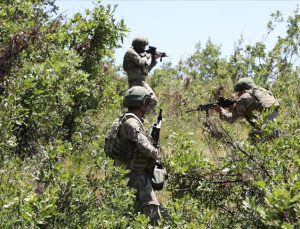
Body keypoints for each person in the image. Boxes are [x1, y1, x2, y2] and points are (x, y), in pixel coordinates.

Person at [112, 86, 163, 225]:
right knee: (153, 215)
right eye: (146, 102)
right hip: (134, 176)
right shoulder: (132, 123)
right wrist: (158, 155)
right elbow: (143, 145)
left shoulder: (128, 119)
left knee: (132, 216)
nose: (147, 106)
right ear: (142, 103)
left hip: (130, 174)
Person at [215, 77, 280, 142]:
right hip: (277, 130)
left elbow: (231, 119)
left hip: (263, 131)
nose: (237, 95)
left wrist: (221, 111)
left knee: (238, 148)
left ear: (242, 90)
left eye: (238, 92)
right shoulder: (263, 92)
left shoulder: (245, 97)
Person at [123, 36, 161, 108]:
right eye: (143, 46)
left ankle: (145, 116)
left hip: (140, 81)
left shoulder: (141, 55)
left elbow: (146, 71)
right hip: (135, 82)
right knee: (151, 100)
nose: (144, 48)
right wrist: (148, 54)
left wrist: (153, 57)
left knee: (150, 101)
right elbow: (140, 62)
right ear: (138, 45)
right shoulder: (130, 52)